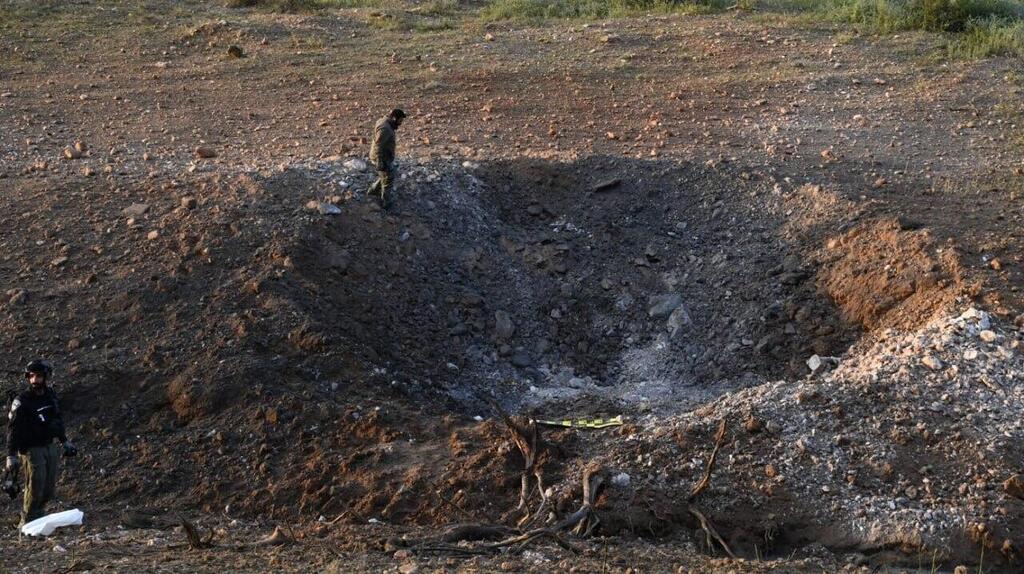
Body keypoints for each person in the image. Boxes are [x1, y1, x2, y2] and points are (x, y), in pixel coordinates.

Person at [5, 360, 76, 526]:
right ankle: (28, 523)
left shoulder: (50, 396)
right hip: (31, 448)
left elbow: (57, 421)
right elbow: (13, 429)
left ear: (45, 377)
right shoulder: (22, 401)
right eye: (31, 376)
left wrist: (64, 441)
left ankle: (39, 518)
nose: (35, 380)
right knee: (35, 486)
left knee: (48, 489)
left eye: (38, 376)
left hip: (49, 446)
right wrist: (11, 455)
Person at [367, 108, 406, 209]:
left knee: (386, 175)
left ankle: (373, 191)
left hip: (384, 156)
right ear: (394, 118)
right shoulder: (385, 129)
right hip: (381, 157)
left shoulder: (385, 122)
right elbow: (378, 145)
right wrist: (380, 161)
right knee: (388, 178)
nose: (401, 123)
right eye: (400, 120)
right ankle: (386, 202)